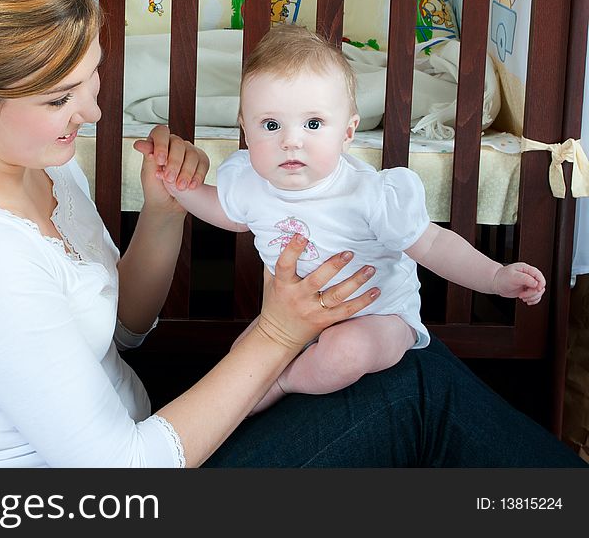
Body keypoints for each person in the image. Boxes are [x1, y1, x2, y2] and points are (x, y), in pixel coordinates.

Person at [0, 0, 583, 467]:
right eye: (65, 94)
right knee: (414, 391)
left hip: (132, 430)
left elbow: (121, 328)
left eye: (93, 76)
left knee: (406, 373)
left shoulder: (29, 156)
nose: (95, 111)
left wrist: (163, 206)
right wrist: (276, 334)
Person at [166, 25, 547, 413]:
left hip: (377, 316)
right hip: (297, 315)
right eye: (271, 125)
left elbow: (433, 244)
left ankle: (286, 382)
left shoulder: (370, 195)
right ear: (246, 130)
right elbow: (229, 215)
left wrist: (495, 277)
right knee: (240, 357)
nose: (291, 141)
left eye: (313, 124)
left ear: (347, 133)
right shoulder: (250, 181)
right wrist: (181, 188)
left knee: (344, 353)